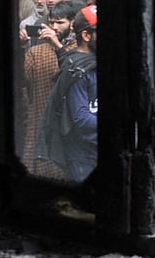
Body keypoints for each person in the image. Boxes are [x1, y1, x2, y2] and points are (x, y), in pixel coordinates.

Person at [37, 13, 98, 182]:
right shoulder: (78, 72)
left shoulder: (88, 63)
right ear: (86, 35)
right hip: (83, 156)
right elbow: (82, 119)